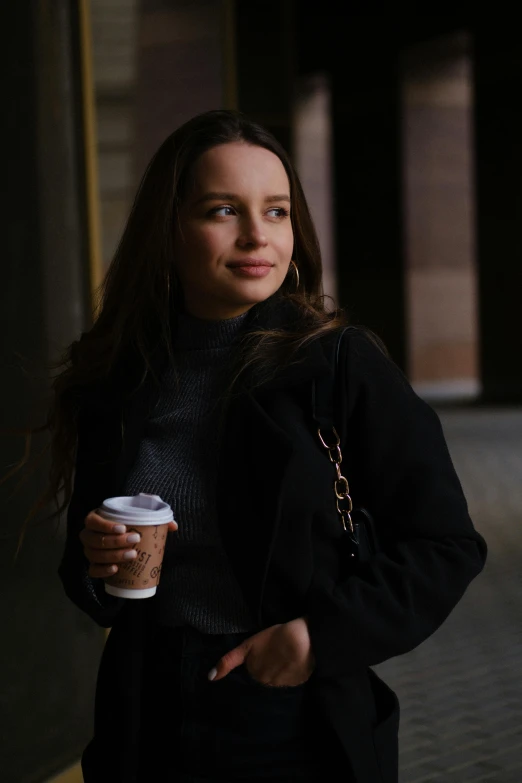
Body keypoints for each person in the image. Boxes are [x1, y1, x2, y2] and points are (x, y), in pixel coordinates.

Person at [54, 109, 486, 783]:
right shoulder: (120, 374)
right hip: (147, 713)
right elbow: (89, 566)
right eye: (223, 209)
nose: (258, 234)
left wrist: (321, 636)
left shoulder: (338, 365)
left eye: (277, 211)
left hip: (292, 715)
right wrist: (99, 564)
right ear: (168, 231)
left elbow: (445, 544)